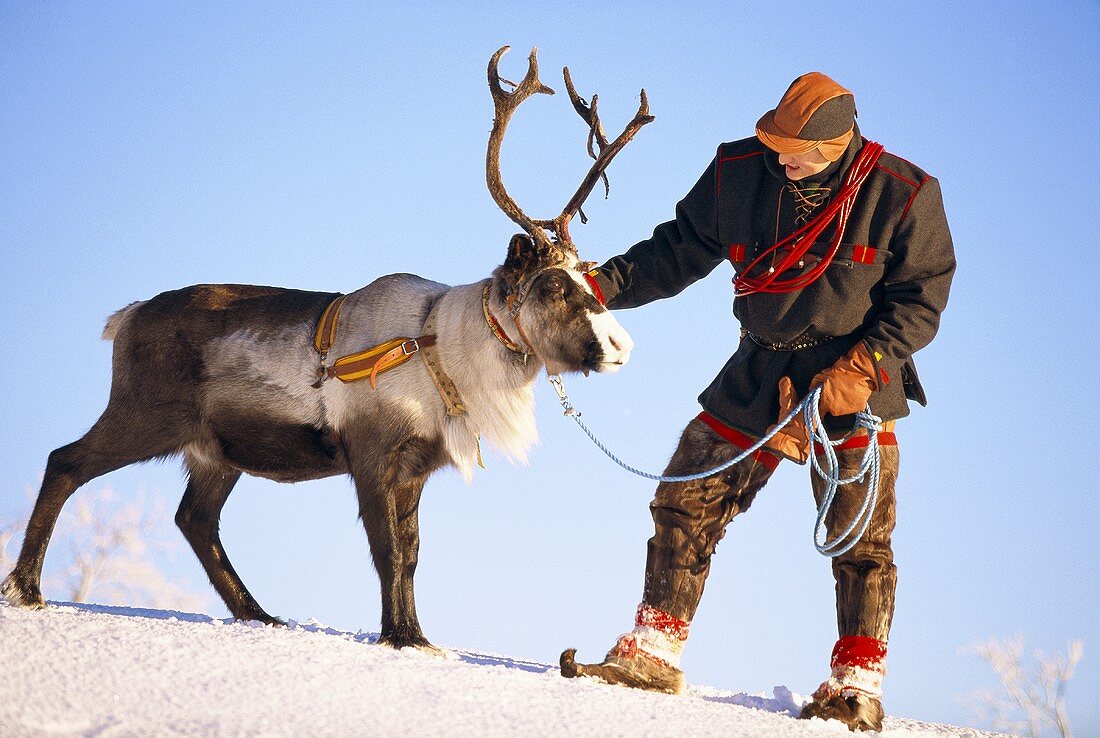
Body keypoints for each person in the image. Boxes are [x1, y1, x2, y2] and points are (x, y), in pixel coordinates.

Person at [559, 71, 956, 732]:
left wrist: (865, 364)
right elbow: (676, 251)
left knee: (860, 536)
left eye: (796, 150)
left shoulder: (905, 194)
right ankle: (654, 651)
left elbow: (923, 298)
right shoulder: (737, 169)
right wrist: (597, 286)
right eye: (774, 142)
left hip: (853, 379)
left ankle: (855, 685)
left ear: (839, 145)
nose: (781, 157)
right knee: (685, 497)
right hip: (759, 367)